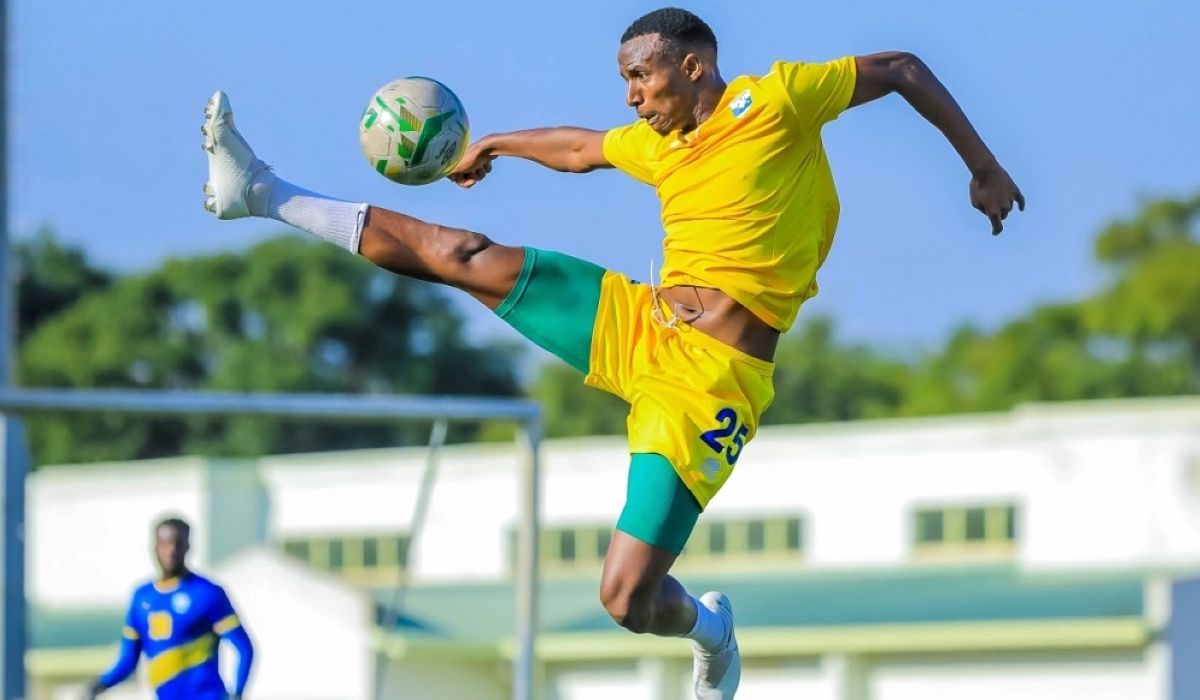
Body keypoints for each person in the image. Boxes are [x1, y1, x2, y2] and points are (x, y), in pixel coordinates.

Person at [201, 8, 1023, 698]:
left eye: (642, 78)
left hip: (709, 385)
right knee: (460, 255)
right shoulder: (656, 144)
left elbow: (905, 67)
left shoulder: (777, 101)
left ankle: (710, 632)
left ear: (694, 67)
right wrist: (492, 144)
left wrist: (982, 167)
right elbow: (579, 146)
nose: (632, 97)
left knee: (625, 597)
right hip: (638, 325)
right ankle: (262, 190)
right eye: (625, 82)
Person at [84, 518, 254, 700]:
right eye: (164, 543)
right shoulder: (142, 597)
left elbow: (244, 648)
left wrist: (237, 694)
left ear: (188, 546)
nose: (171, 550)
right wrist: (98, 685)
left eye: (177, 543)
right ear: (154, 547)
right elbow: (128, 660)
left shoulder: (207, 593)